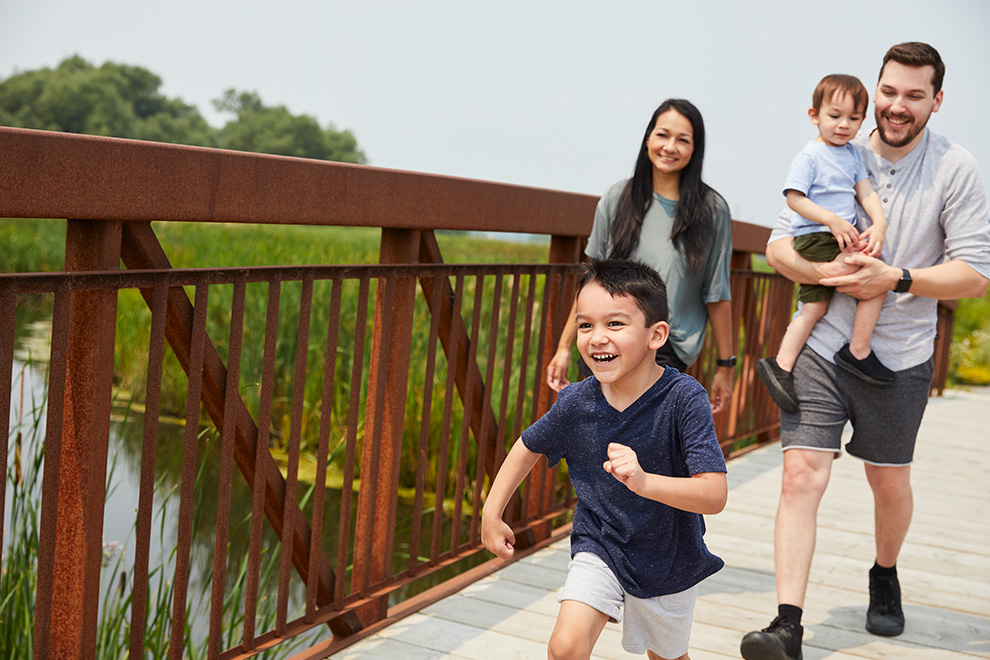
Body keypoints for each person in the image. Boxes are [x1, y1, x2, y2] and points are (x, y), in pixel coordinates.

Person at [741, 42, 990, 660]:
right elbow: (777, 247)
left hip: (901, 357)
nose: (896, 106)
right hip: (824, 349)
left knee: (888, 482)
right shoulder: (836, 148)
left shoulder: (957, 167)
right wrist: (832, 278)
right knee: (801, 473)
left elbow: (975, 274)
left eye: (913, 95)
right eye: (889, 91)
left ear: (936, 99)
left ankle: (884, 573)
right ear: (873, 89)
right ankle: (787, 625)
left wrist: (896, 278)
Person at [483, 259, 727, 660]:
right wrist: (491, 513)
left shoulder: (684, 399)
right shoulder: (577, 402)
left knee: (664, 657)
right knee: (565, 648)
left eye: (615, 324)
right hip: (600, 542)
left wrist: (645, 482)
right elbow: (527, 446)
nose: (597, 338)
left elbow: (714, 494)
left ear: (656, 335)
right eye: (585, 325)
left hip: (669, 555)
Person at [545, 99, 736, 414]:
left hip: (664, 346)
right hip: (605, 341)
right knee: (595, 445)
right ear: (648, 138)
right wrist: (564, 347)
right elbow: (590, 285)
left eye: (683, 140)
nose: (670, 147)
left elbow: (717, 293)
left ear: (695, 149)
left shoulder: (711, 210)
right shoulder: (618, 199)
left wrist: (725, 367)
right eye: (662, 135)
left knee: (639, 451)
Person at [757, 74, 892, 414]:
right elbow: (794, 198)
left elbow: (866, 191)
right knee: (870, 283)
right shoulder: (811, 155)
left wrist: (879, 224)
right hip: (816, 236)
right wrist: (831, 219)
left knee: (827, 301)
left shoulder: (852, 155)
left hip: (836, 236)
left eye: (853, 118)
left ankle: (784, 364)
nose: (844, 125)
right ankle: (855, 352)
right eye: (835, 116)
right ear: (814, 115)